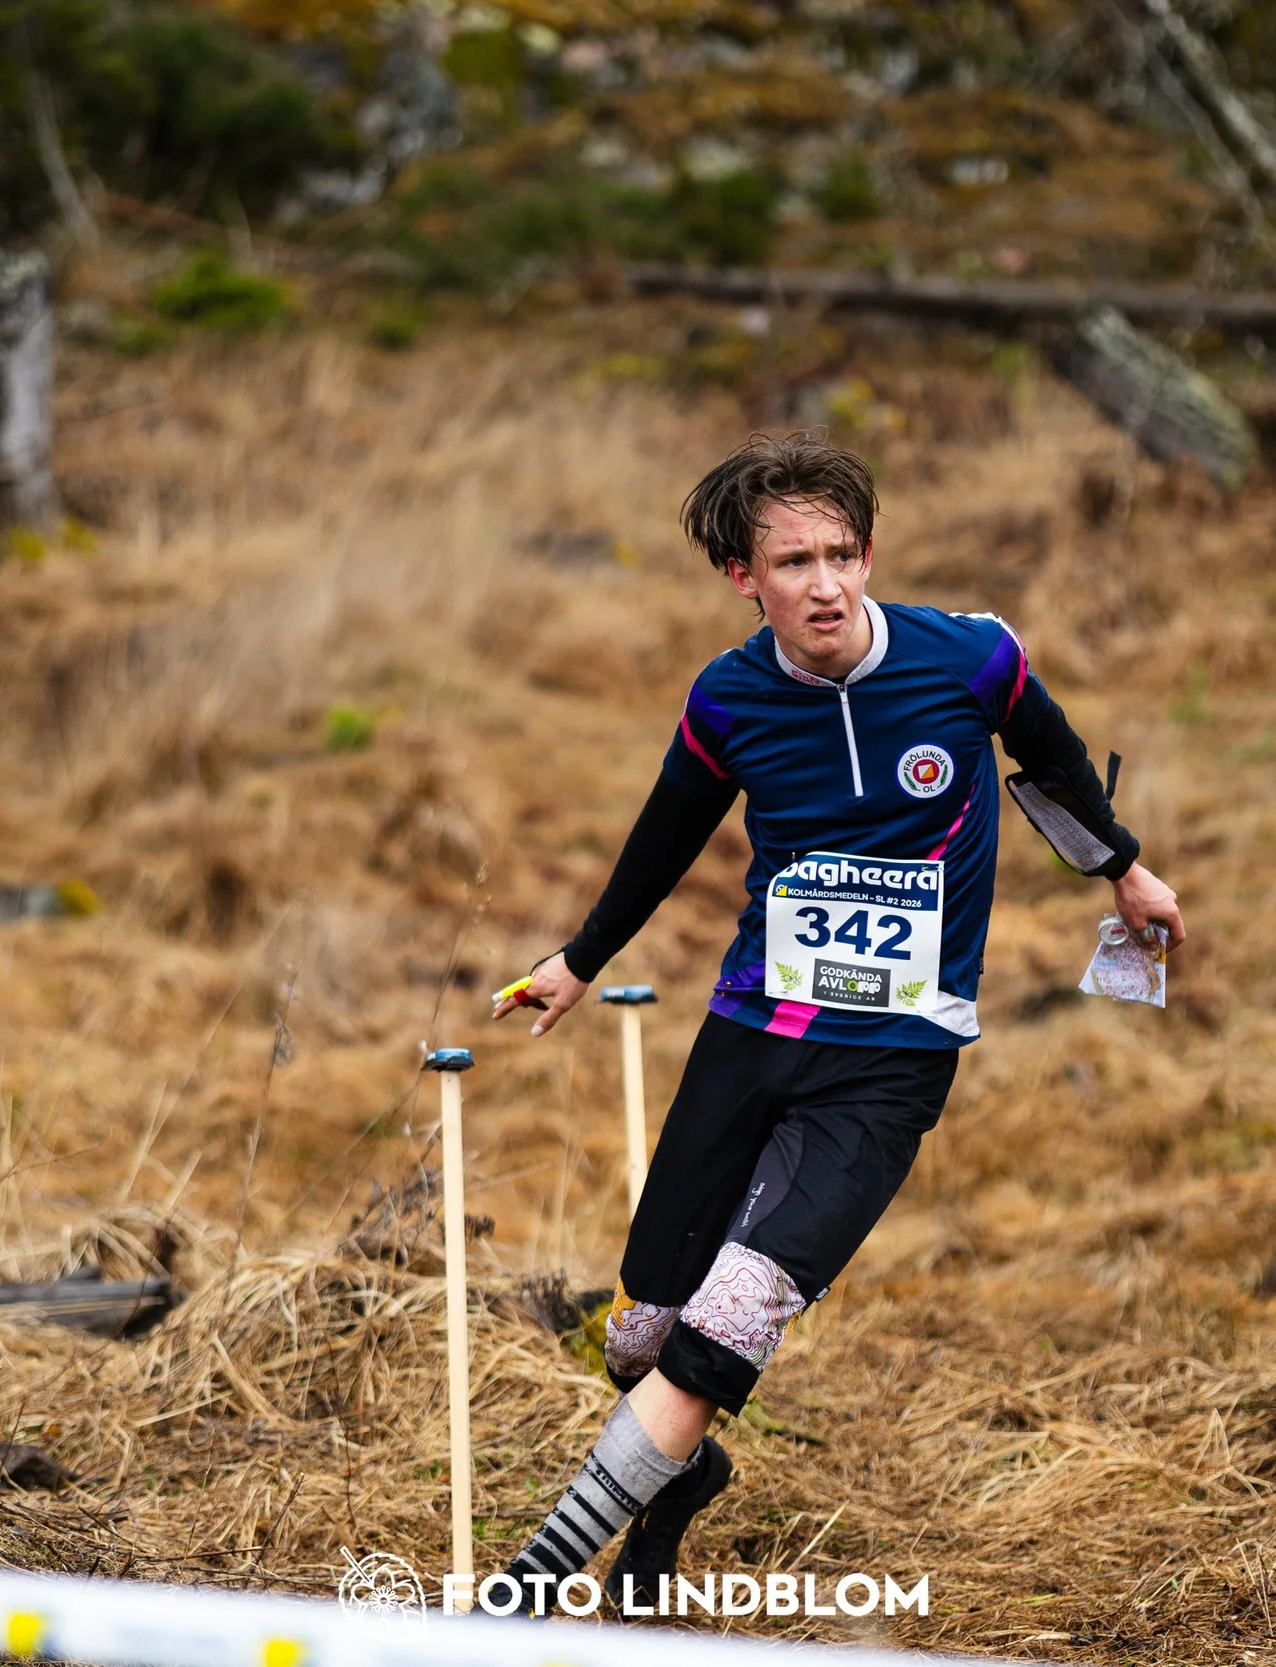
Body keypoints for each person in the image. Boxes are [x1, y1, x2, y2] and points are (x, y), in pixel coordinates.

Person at [488, 433, 1186, 1615]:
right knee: (641, 1337)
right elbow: (664, 836)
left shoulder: (971, 657)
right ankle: (674, 1494)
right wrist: (579, 957)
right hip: (754, 1028)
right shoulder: (727, 699)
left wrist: (1122, 867)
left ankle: (518, 1598)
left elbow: (1054, 755)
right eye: (794, 561)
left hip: (893, 1057)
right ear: (742, 576)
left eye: (843, 553)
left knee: (725, 1326)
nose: (827, 585)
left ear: (868, 553)